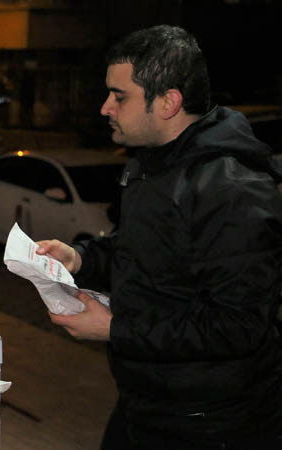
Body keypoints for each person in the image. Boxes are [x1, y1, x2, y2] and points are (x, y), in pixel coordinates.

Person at [36, 25, 282, 449]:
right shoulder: (152, 164)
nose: (105, 107)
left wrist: (115, 329)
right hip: (146, 403)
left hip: (212, 423)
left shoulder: (233, 190)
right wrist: (79, 258)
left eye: (120, 96)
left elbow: (238, 326)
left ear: (168, 102)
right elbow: (141, 250)